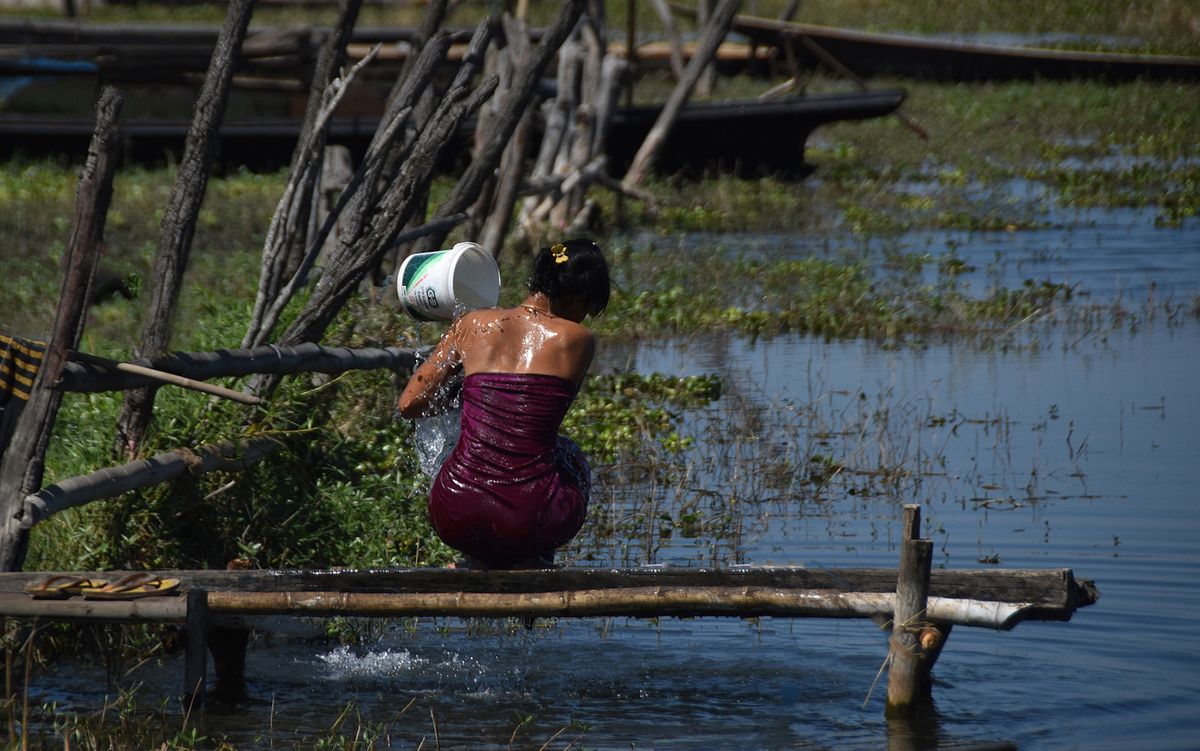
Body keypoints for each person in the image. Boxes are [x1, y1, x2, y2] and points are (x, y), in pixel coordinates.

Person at [397, 239, 610, 568]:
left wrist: (460, 394)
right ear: (580, 298)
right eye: (587, 309)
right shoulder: (577, 340)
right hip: (530, 517)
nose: (583, 318)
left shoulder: (470, 324)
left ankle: (475, 557)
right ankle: (533, 558)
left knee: (465, 452)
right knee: (569, 455)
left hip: (453, 509)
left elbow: (410, 404)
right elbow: (540, 426)